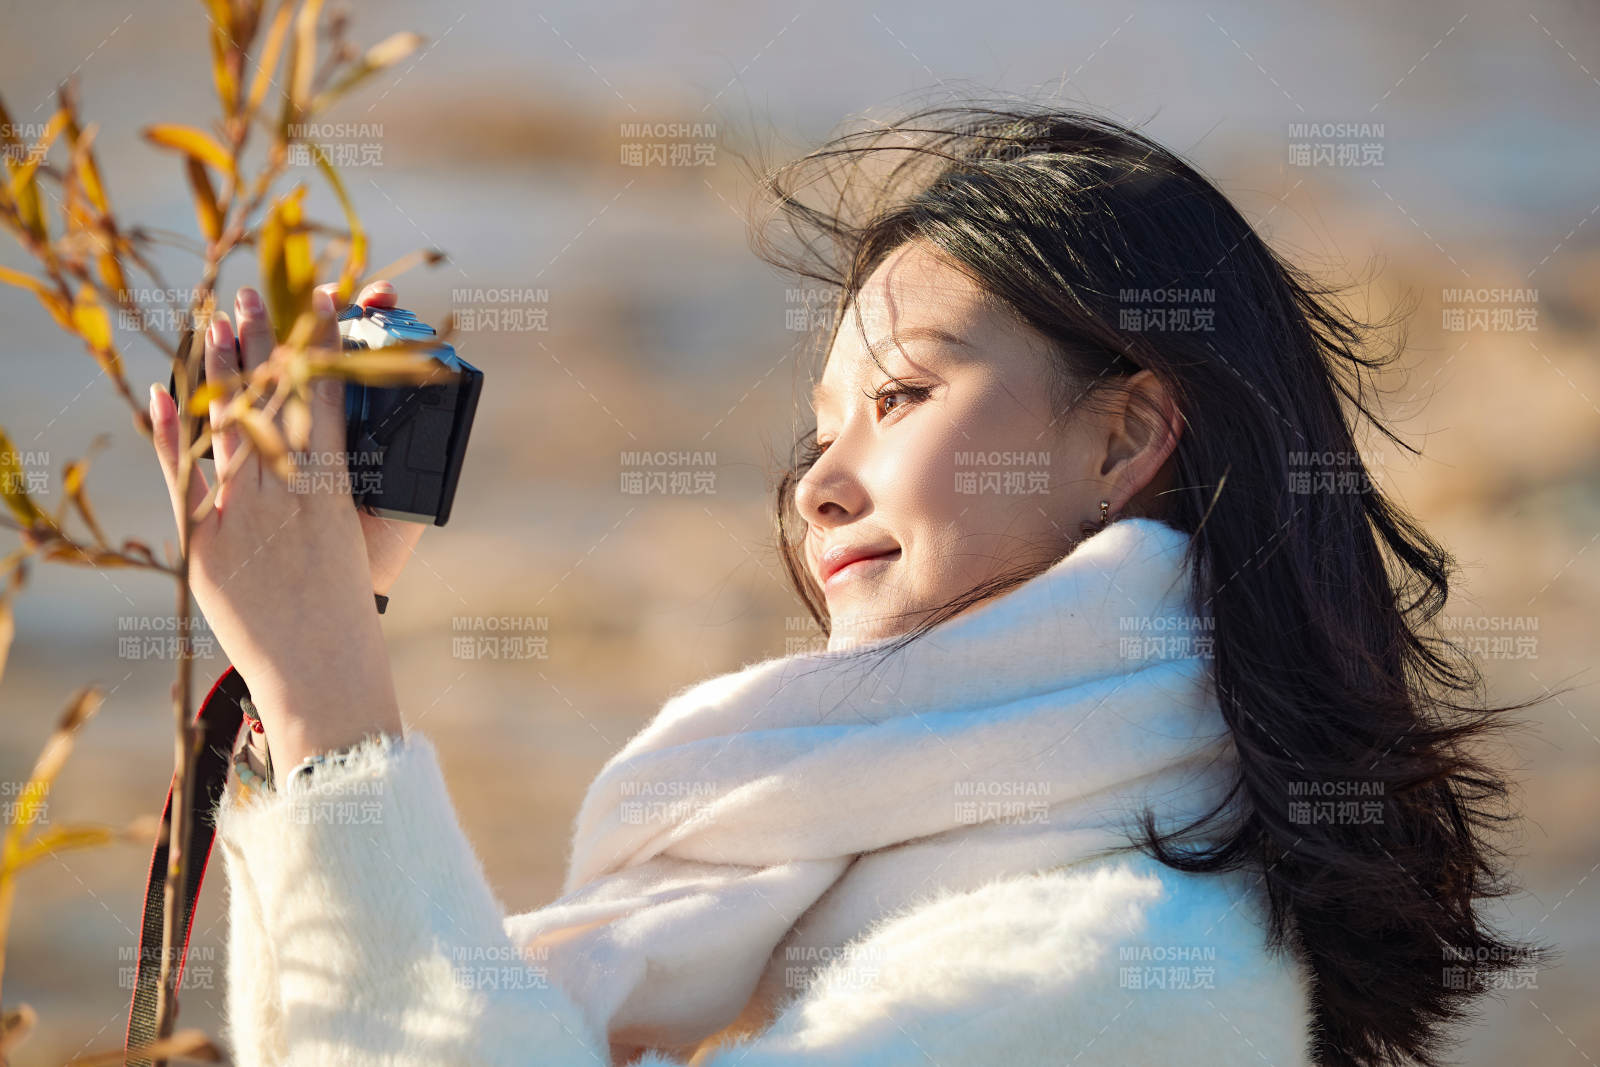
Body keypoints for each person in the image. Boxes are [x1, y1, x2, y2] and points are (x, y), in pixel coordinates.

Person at [147, 102, 1543, 1067]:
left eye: (902, 395)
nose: (818, 483)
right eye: (821, 430)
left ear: (1121, 437)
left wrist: (330, 684)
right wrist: (299, 684)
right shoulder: (897, 867)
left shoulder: (1128, 970)